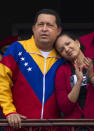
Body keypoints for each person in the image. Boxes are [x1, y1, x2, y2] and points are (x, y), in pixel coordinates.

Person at [0, 9, 63, 131]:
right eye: (40, 24)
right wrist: (9, 112)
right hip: (19, 126)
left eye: (49, 25)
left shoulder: (63, 54)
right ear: (34, 28)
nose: (44, 29)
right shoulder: (17, 48)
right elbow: (2, 82)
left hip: (53, 128)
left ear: (58, 31)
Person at [54, 32, 94, 131]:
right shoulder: (61, 71)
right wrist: (78, 82)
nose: (67, 49)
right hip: (73, 126)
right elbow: (64, 108)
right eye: (62, 50)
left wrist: (92, 76)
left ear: (77, 43)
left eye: (68, 44)